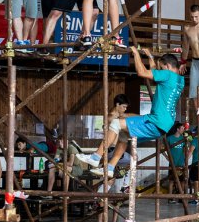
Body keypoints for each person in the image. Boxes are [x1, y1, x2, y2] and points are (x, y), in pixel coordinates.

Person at [75, 49, 184, 178]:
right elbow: (154, 72)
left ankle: (95, 157)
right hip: (164, 125)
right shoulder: (179, 80)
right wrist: (150, 57)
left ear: (168, 66)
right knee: (123, 134)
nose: (160, 70)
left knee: (116, 123)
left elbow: (142, 73)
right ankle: (110, 168)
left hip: (156, 121)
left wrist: (136, 54)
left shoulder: (168, 75)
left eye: (162, 67)